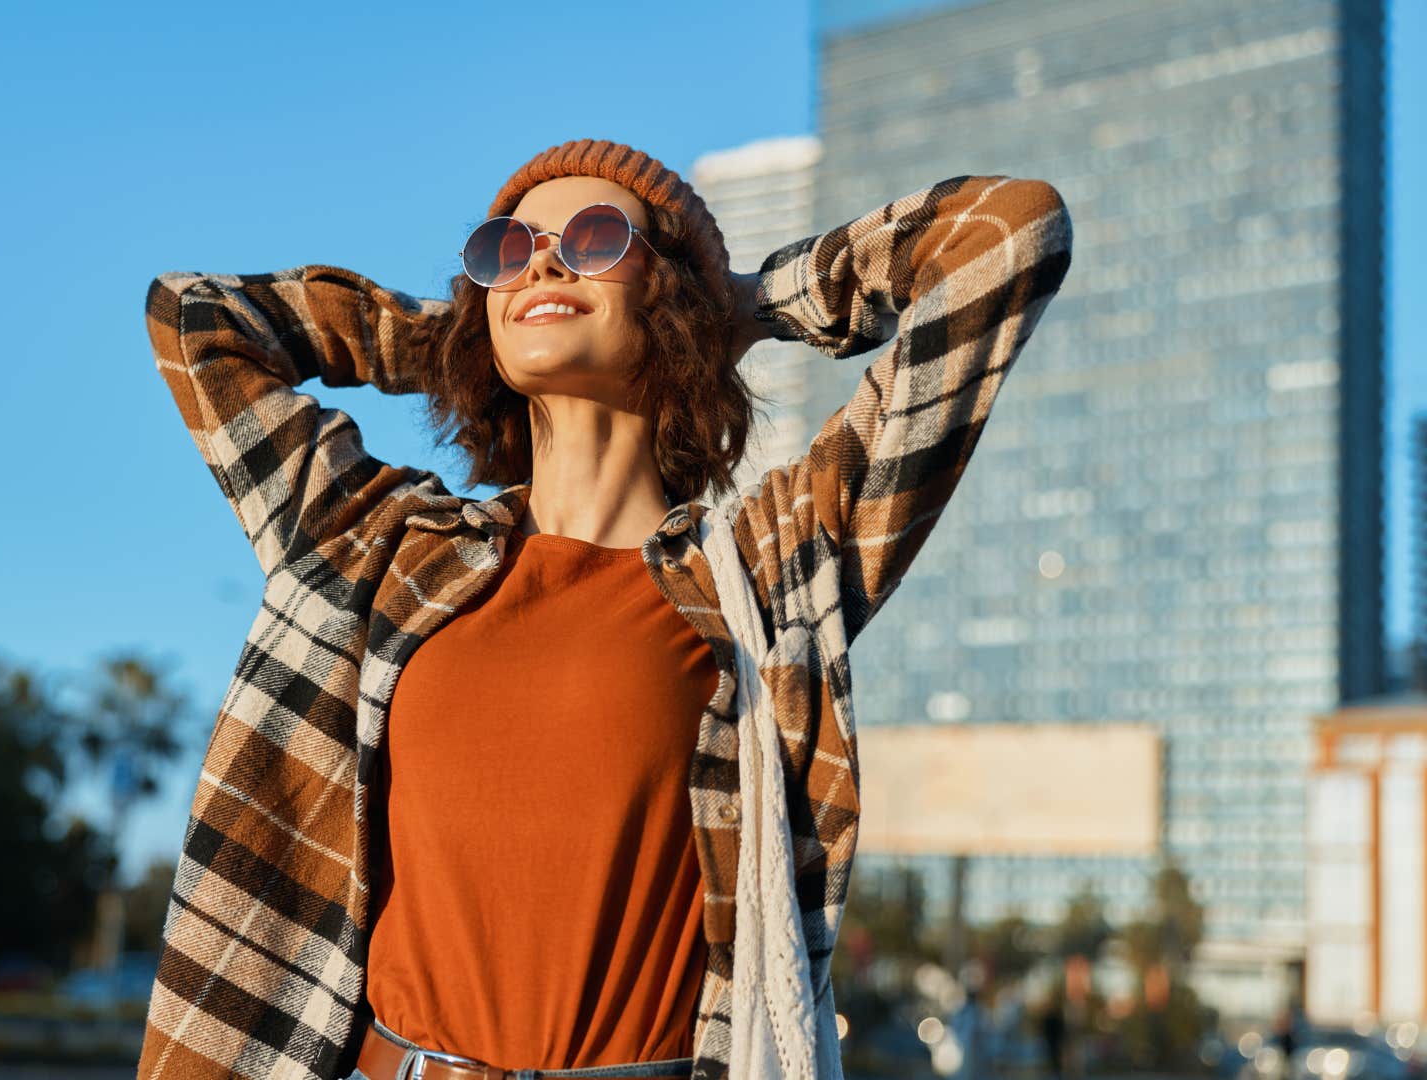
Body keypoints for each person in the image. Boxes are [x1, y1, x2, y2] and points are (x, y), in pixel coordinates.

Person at [135, 138, 1073, 1080]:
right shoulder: (378, 544)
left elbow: (1006, 236)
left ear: (669, 293)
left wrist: (738, 306)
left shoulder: (768, 568)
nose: (541, 259)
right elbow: (198, 319)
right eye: (506, 249)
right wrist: (468, 336)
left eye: (593, 238)